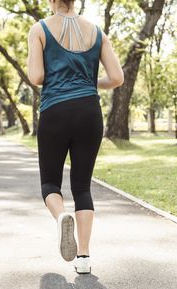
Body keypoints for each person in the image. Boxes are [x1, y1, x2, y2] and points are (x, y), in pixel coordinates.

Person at [27, 0, 124, 274]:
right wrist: (91, 83)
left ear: (51, 1)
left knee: (50, 184)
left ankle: (61, 218)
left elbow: (36, 76)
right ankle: (83, 257)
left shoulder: (40, 29)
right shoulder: (97, 31)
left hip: (55, 112)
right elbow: (116, 77)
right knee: (82, 187)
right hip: (89, 113)